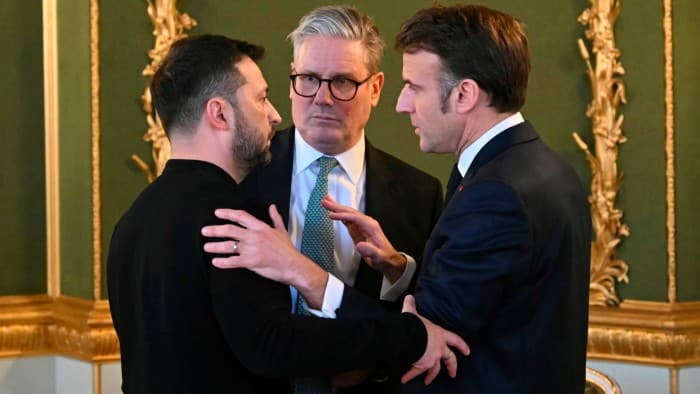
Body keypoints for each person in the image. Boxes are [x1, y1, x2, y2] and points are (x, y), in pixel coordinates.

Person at [204, 4, 592, 394]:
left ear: (464, 94)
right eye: (307, 78)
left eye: (342, 82)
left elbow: (425, 337)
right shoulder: (540, 170)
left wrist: (305, 275)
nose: (402, 104)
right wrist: (401, 273)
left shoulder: (466, 193)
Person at [107, 34, 467, 394]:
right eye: (261, 98)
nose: (275, 114)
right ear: (220, 113)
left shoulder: (132, 220)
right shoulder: (234, 218)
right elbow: (274, 344)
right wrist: (412, 335)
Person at [237, 6, 443, 392]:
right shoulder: (243, 178)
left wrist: (397, 272)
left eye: (343, 82)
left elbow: (429, 315)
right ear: (291, 80)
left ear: (377, 88)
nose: (323, 98)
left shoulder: (420, 193)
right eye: (309, 79)